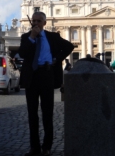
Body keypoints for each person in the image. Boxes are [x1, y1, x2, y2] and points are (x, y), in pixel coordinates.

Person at [18, 12, 74, 156]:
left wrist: (57, 58)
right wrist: (32, 37)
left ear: (44, 22)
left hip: (47, 74)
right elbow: (22, 54)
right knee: (32, 113)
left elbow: (69, 46)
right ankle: (34, 147)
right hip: (32, 77)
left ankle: (47, 147)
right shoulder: (26, 37)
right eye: (34, 21)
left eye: (38, 21)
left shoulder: (53, 37)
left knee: (47, 113)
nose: (35, 23)